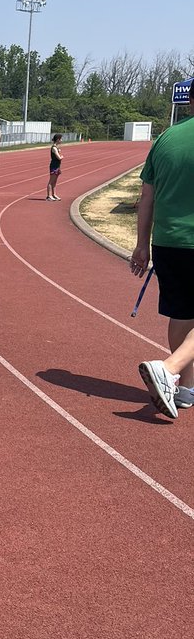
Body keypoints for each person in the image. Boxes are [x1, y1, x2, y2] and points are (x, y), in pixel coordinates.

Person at [132, 85, 194, 420]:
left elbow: (147, 197)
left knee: (183, 313)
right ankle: (168, 370)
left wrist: (142, 244)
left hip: (167, 242)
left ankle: (183, 389)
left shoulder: (167, 139)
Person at [46, 134, 63, 201]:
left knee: (55, 181)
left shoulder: (57, 148)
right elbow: (59, 157)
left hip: (57, 166)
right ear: (58, 139)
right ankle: (49, 196)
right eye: (61, 139)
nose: (62, 140)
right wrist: (61, 157)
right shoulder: (54, 148)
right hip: (54, 166)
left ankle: (54, 194)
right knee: (51, 181)